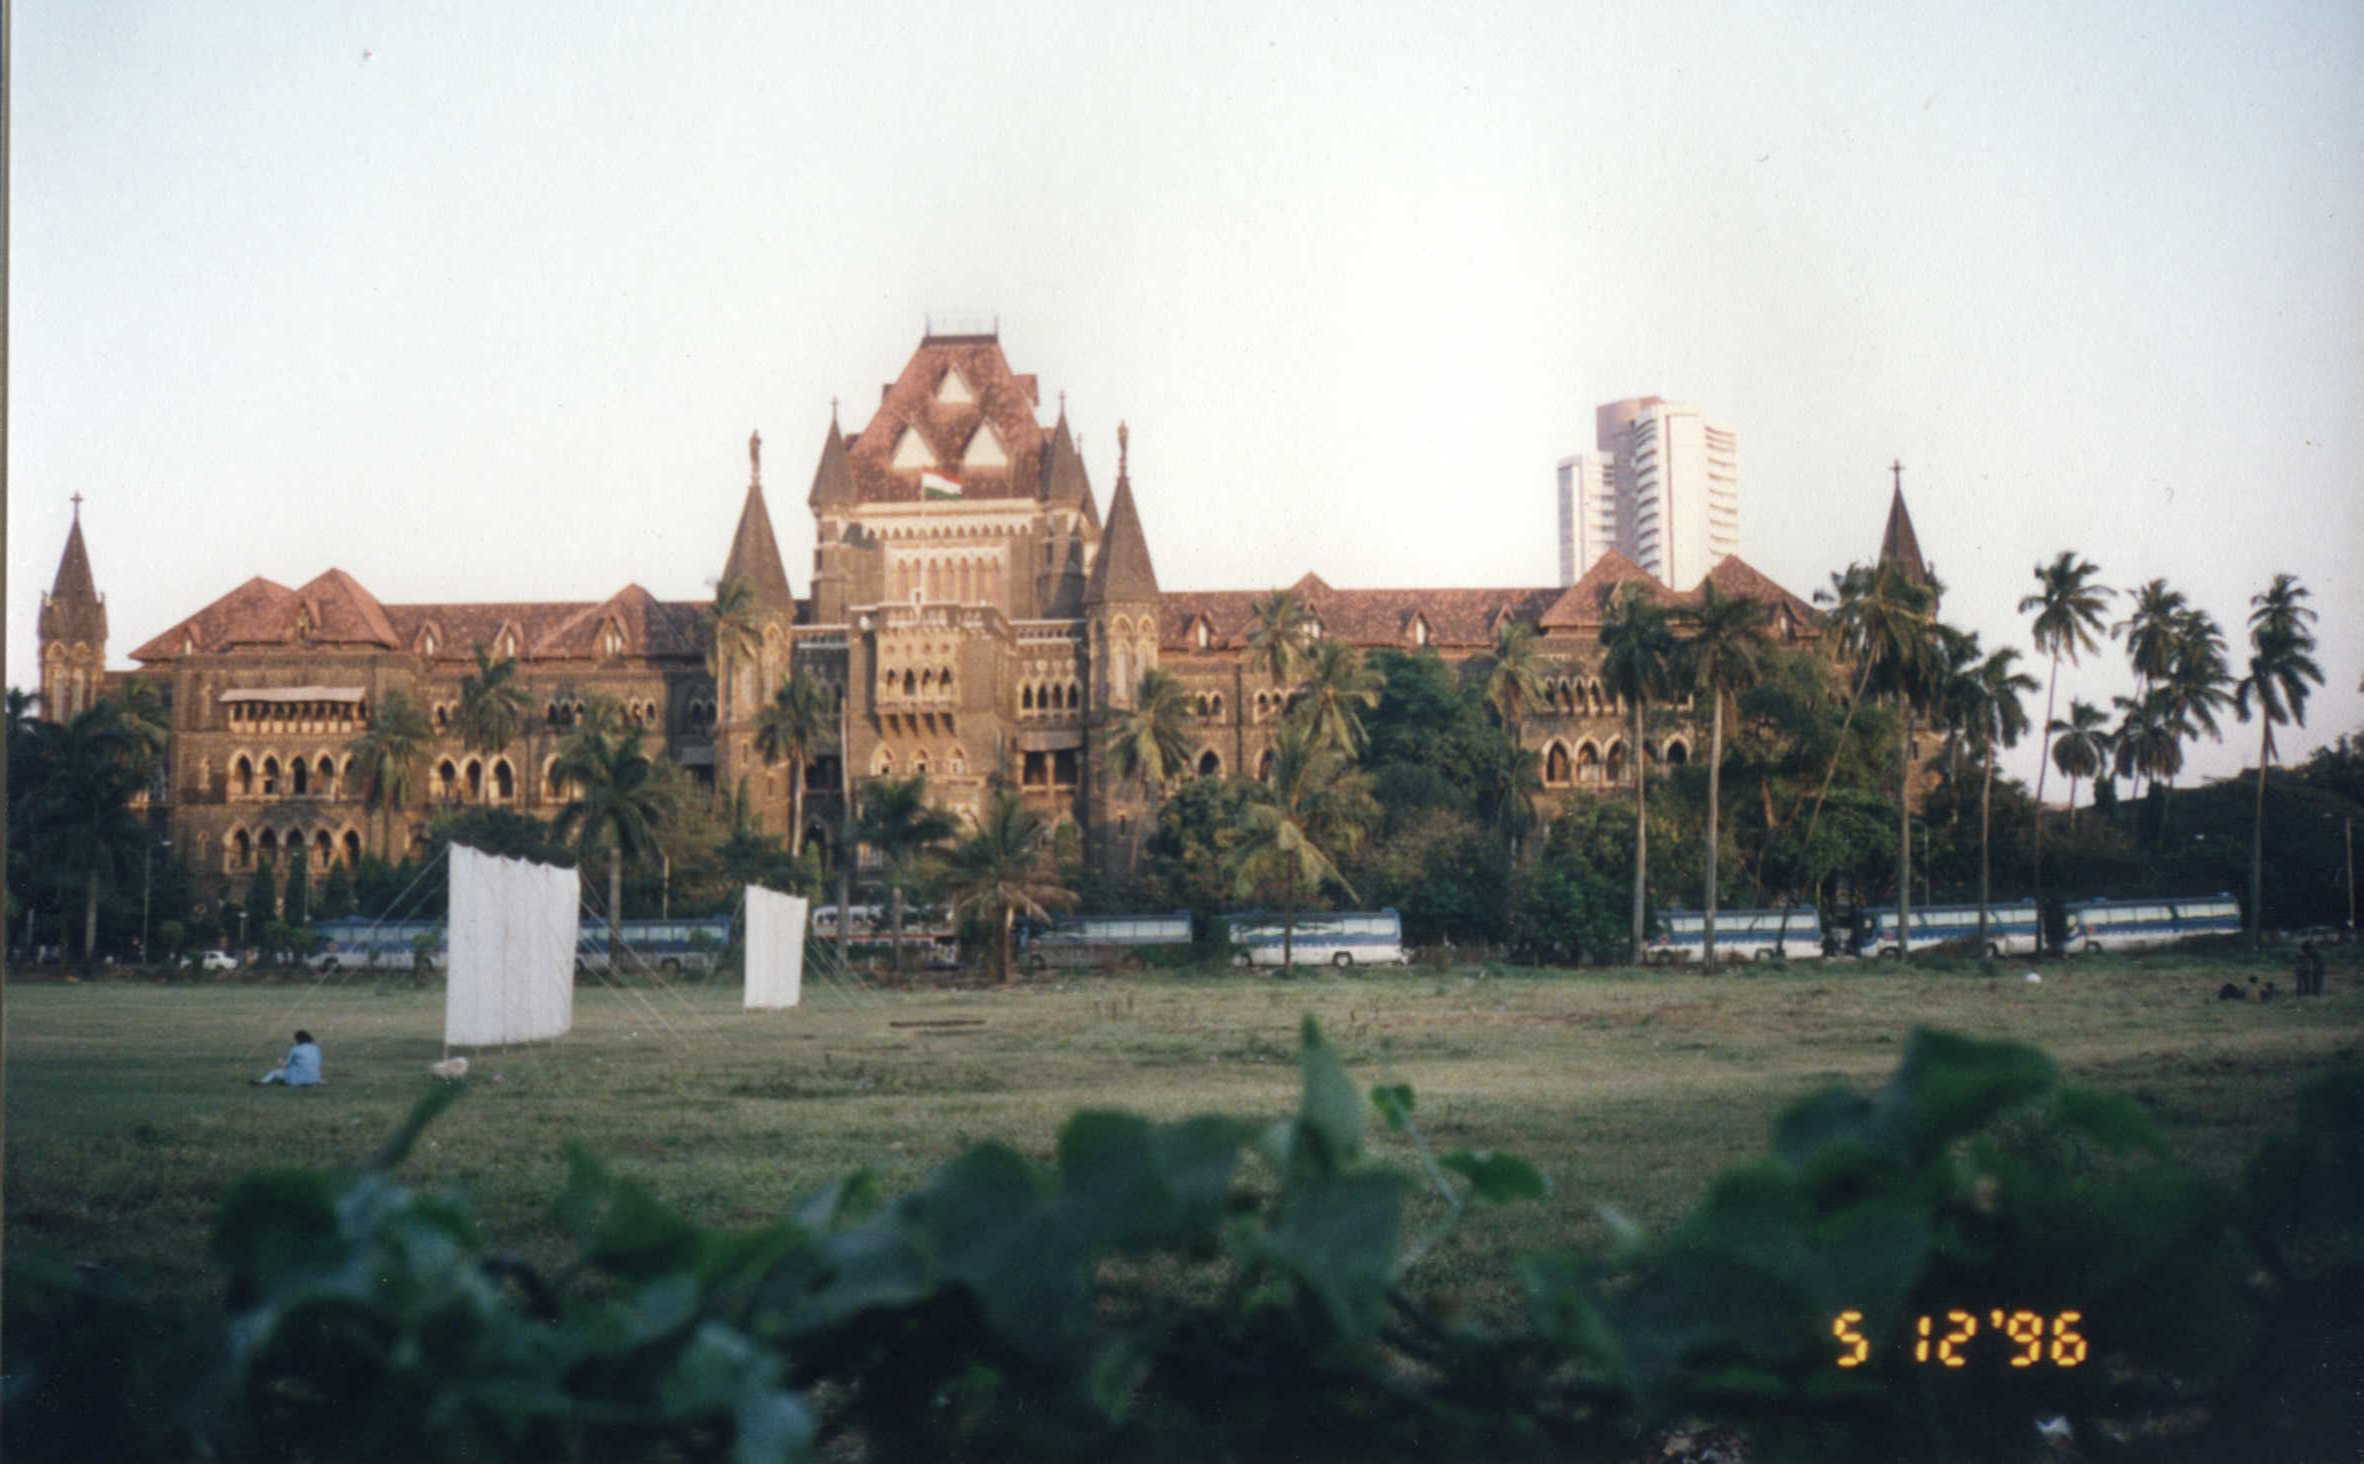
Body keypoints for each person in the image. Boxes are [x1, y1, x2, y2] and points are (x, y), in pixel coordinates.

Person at [255, 1030, 323, 1087]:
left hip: (297, 1080)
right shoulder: (316, 1048)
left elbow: (286, 1065)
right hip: (315, 1078)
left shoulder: (295, 1049)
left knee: (275, 1072)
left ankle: (262, 1082)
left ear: (298, 1039)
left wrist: (280, 1062)